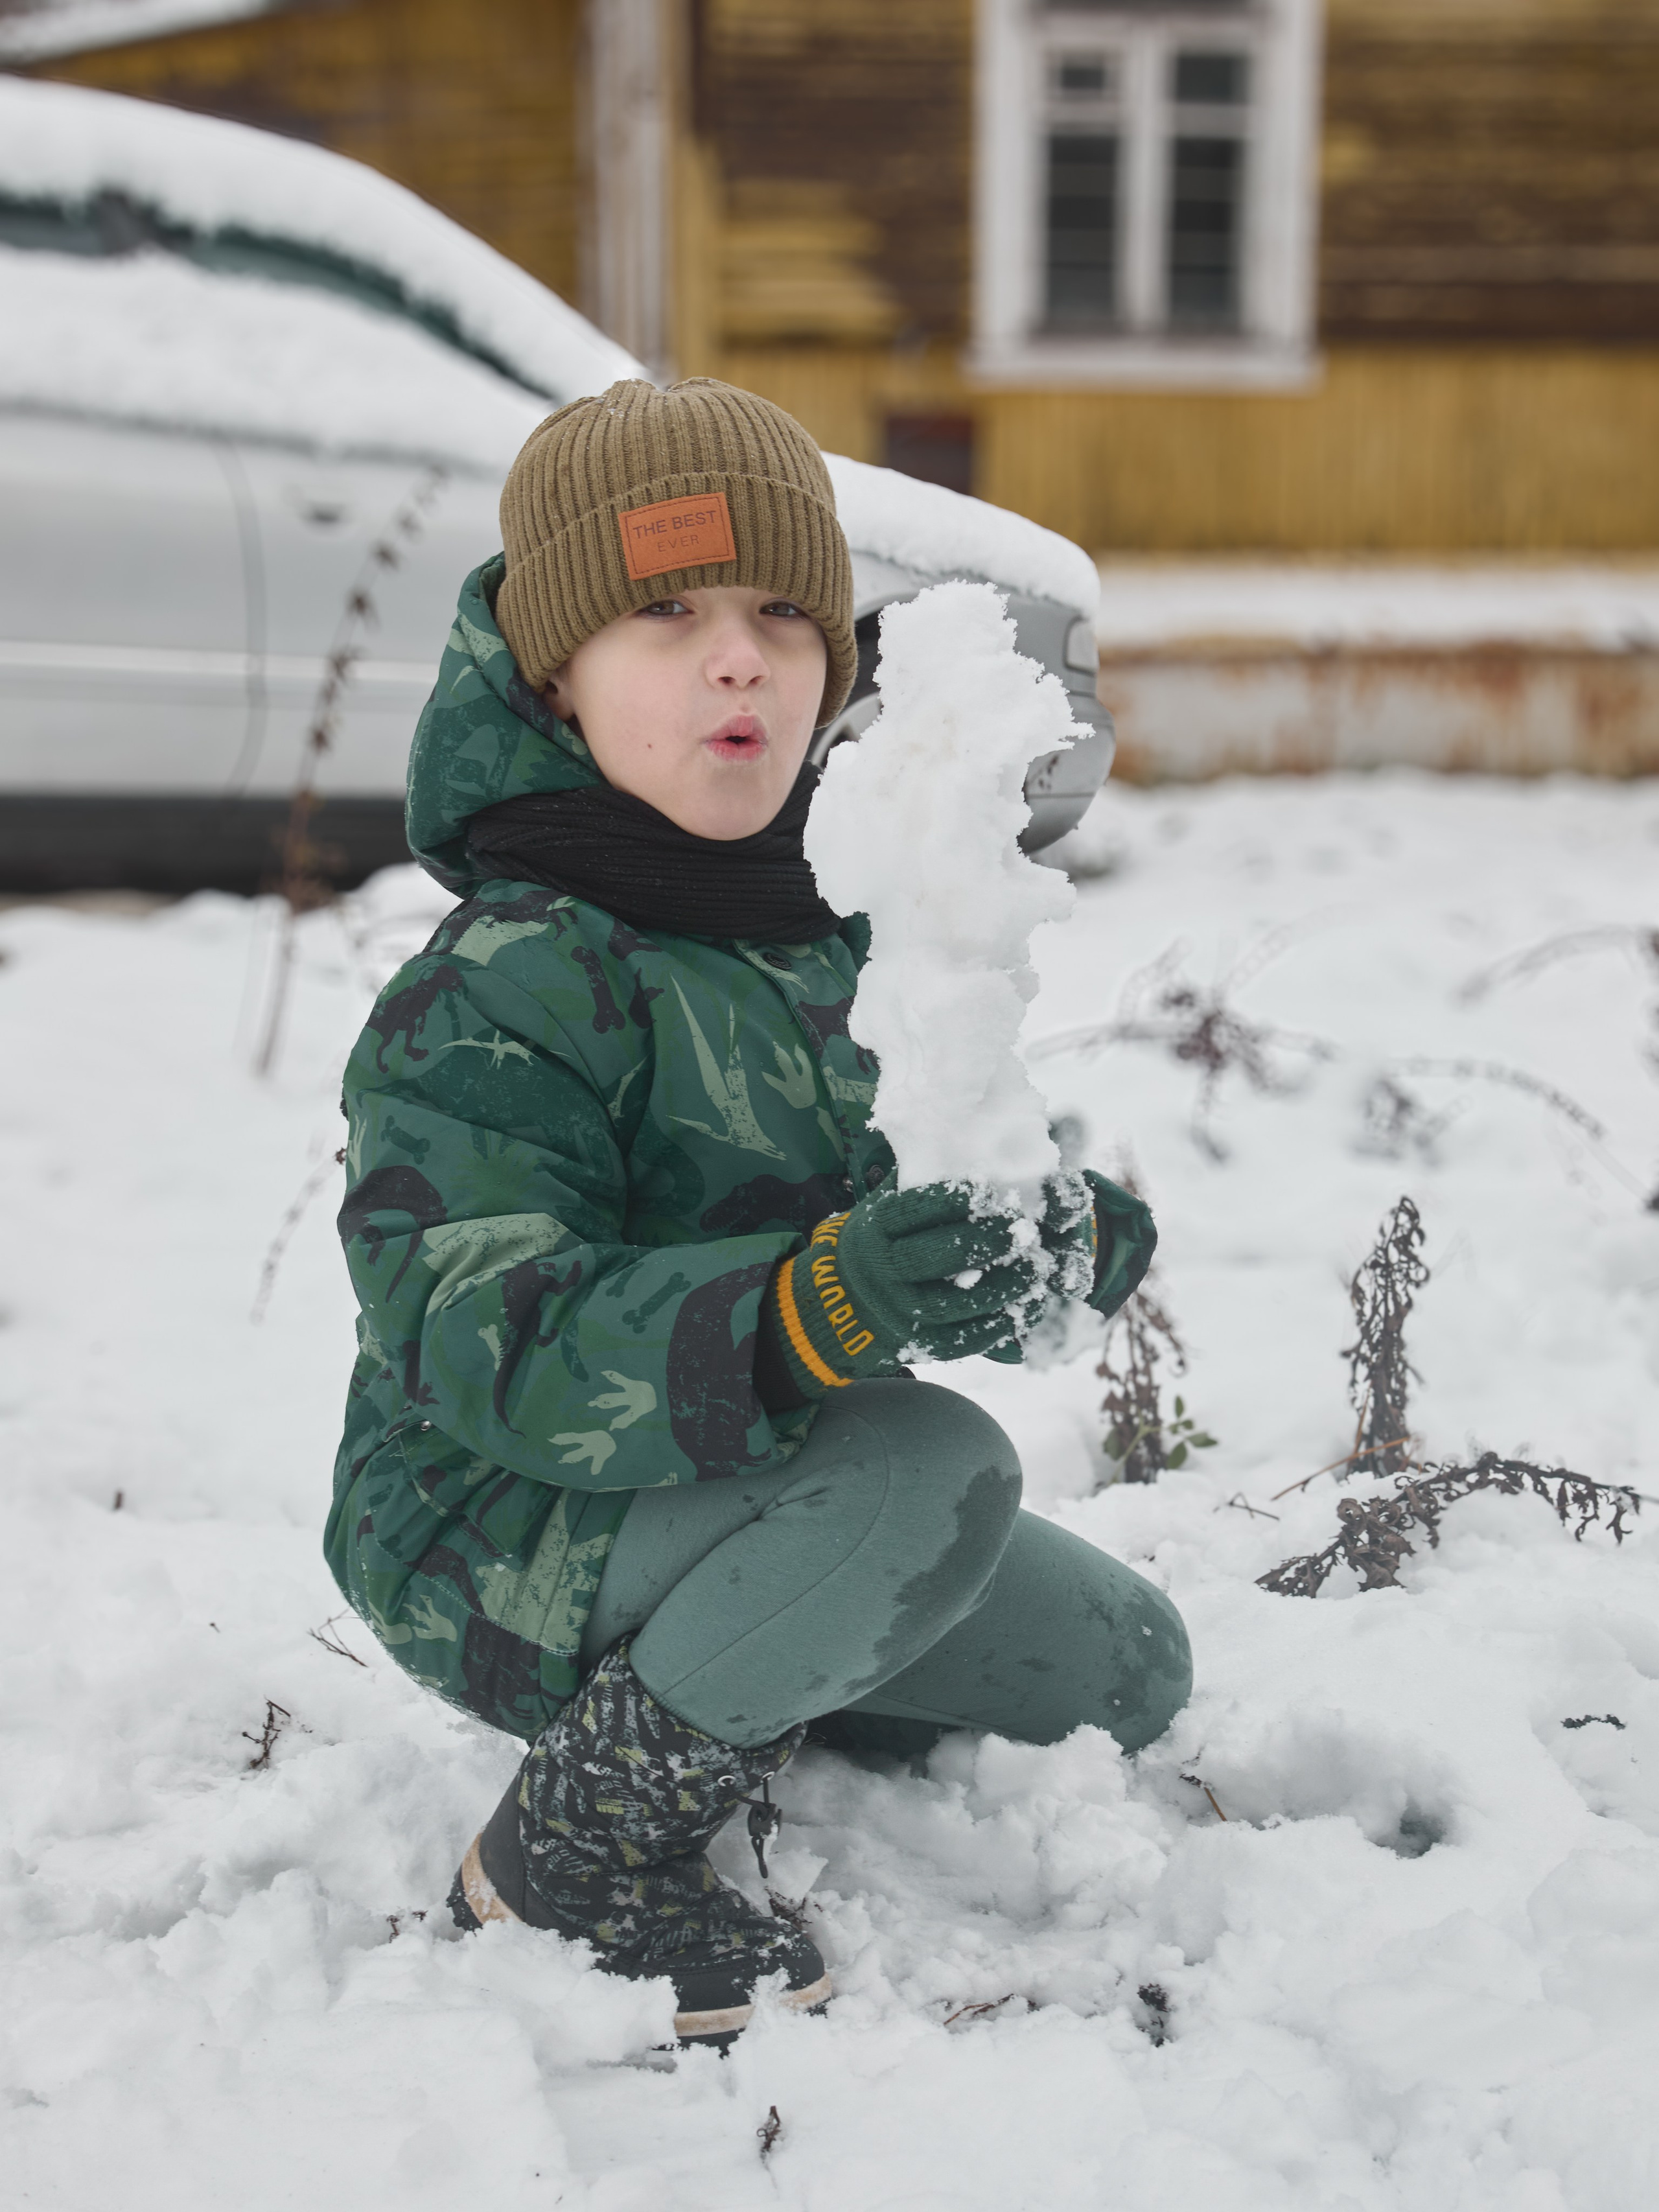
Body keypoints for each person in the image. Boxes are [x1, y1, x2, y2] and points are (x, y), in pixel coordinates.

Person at [327, 377, 1192, 2048]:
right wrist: (815, 1307)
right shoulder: (499, 984)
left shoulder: (831, 930)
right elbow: (487, 1335)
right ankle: (571, 1858)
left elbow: (903, 1208)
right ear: (556, 675)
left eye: (785, 616)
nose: (742, 661)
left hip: (736, 1486)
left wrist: (1040, 1242)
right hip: (493, 1526)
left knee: (1125, 1668)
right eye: (668, 615)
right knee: (932, 1467)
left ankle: (749, 1668)